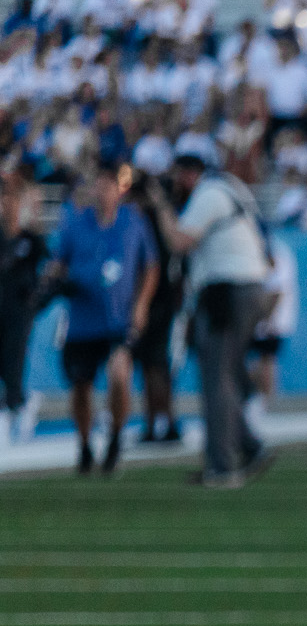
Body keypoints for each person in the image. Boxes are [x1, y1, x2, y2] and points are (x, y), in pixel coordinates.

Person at [152, 136, 272, 487]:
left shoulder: (210, 194)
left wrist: (161, 206)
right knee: (228, 372)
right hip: (243, 286)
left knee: (216, 377)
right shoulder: (229, 188)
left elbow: (179, 241)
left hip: (229, 289)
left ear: (191, 173)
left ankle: (222, 464)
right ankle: (249, 446)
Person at [44, 164, 158, 475]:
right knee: (81, 386)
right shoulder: (76, 222)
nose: (103, 191)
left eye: (109, 185)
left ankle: (116, 435)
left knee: (120, 373)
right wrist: (54, 278)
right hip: (82, 319)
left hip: (117, 319)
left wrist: (141, 305)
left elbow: (151, 266)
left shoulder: (132, 222)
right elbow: (58, 262)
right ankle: (83, 445)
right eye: (99, 184)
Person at [129, 166, 186, 443]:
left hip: (161, 301)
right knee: (149, 365)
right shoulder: (137, 220)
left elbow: (171, 252)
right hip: (148, 300)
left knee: (158, 365)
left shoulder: (160, 218)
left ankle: (165, 422)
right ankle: (155, 423)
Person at [0, 166, 46, 446]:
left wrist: (35, 297)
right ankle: (21, 404)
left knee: (13, 358)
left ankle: (14, 409)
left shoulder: (30, 239)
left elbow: (50, 269)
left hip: (19, 309)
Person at [246, 229, 298, 427]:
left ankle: (263, 404)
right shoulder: (263, 249)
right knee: (256, 361)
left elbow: (277, 289)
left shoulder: (276, 252)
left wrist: (268, 319)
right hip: (261, 316)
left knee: (266, 359)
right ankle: (258, 401)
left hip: (272, 318)